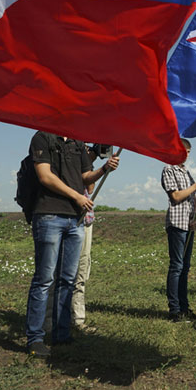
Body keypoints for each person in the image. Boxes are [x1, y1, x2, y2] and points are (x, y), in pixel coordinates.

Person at [25, 132, 118, 359]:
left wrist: (104, 169)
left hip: (75, 220)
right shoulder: (42, 137)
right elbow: (45, 176)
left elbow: (85, 176)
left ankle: (62, 333)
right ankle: (35, 338)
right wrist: (76, 196)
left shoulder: (77, 143)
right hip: (49, 215)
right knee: (44, 279)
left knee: (68, 279)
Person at [161, 138, 196, 321]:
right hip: (176, 223)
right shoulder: (169, 169)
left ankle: (184, 306)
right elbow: (176, 196)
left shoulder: (185, 171)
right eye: (184, 151)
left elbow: (191, 197)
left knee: (185, 267)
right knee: (177, 266)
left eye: (189, 152)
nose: (187, 155)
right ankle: (174, 309)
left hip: (188, 224)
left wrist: (193, 217)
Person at [70, 143, 116, 332]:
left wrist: (90, 162)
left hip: (85, 220)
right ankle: (51, 321)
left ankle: (77, 319)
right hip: (68, 217)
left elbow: (89, 187)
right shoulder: (67, 150)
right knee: (61, 273)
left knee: (81, 271)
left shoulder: (85, 157)